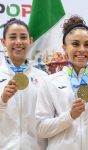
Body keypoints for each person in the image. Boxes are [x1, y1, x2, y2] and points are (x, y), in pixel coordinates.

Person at [35, 15, 88, 150]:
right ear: (64, 47)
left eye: (87, 45)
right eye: (75, 44)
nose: (81, 49)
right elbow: (41, 129)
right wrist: (69, 116)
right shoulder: (49, 82)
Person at [0, 18, 47, 150]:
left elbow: (47, 118)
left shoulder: (43, 77)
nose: (18, 42)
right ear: (3, 42)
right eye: (13, 37)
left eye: (23, 37)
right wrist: (2, 101)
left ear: (30, 41)